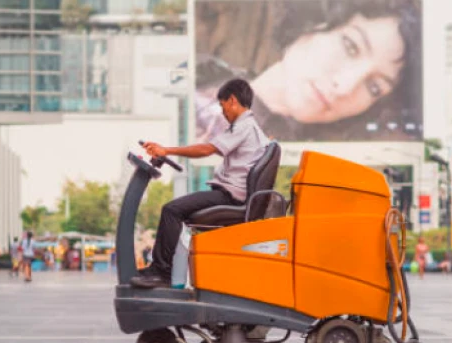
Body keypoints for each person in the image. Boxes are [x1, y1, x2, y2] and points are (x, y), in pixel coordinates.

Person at [195, 0, 422, 143]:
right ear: (312, 25)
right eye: (350, 46)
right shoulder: (199, 90)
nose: (345, 86)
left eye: (374, 87)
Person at [131, 78, 270, 288]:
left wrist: (166, 150)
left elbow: (206, 150)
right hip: (232, 195)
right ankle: (164, 271)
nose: (223, 113)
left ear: (232, 100)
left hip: (230, 197)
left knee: (172, 210)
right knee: (176, 211)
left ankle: (161, 273)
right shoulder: (249, 128)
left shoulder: (244, 127)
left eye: (223, 107)